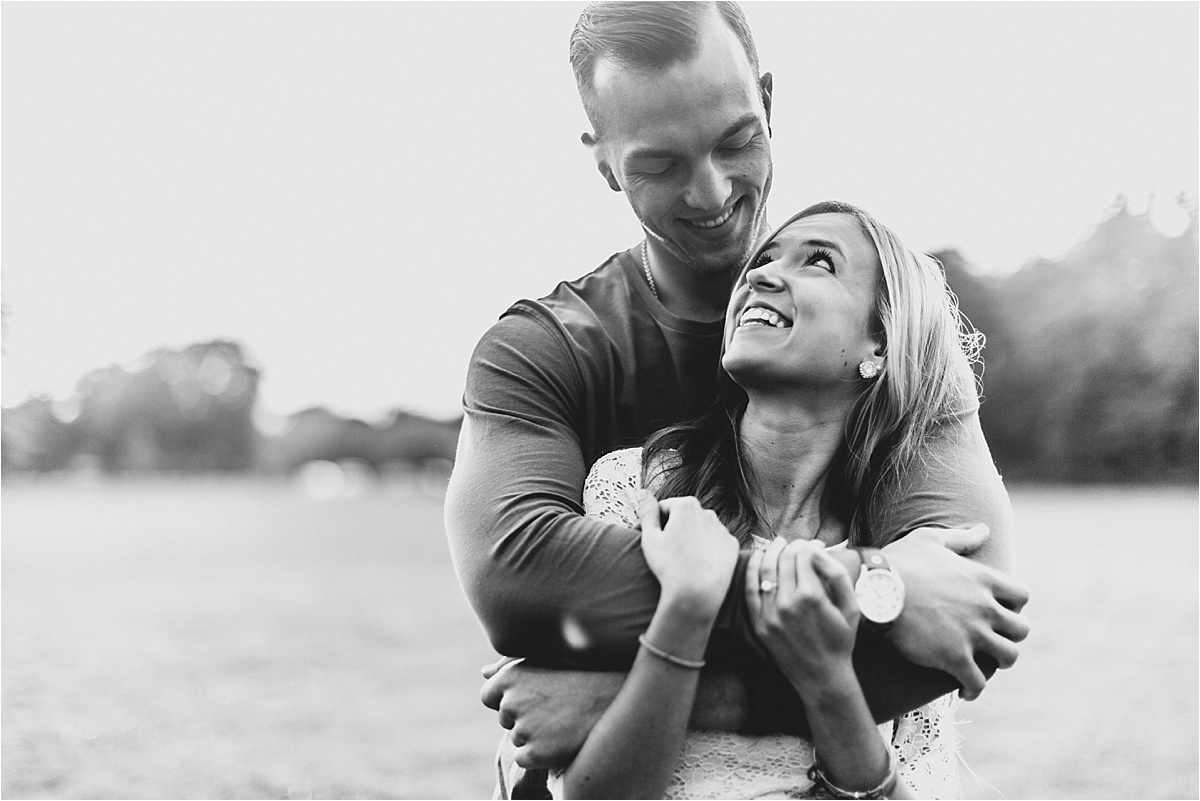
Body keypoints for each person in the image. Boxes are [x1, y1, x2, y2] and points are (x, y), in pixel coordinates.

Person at [444, 2, 1029, 795]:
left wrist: (633, 692)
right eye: (659, 165)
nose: (711, 192)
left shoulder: (887, 323)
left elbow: (958, 626)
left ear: (769, 103)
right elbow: (523, 580)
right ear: (605, 162)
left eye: (736, 141)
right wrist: (866, 586)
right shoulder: (542, 351)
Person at [528, 200, 1011, 798]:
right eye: (762, 258)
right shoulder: (636, 490)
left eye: (818, 263)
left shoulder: (913, 561)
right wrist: (685, 611)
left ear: (880, 344)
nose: (759, 274)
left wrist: (828, 682)